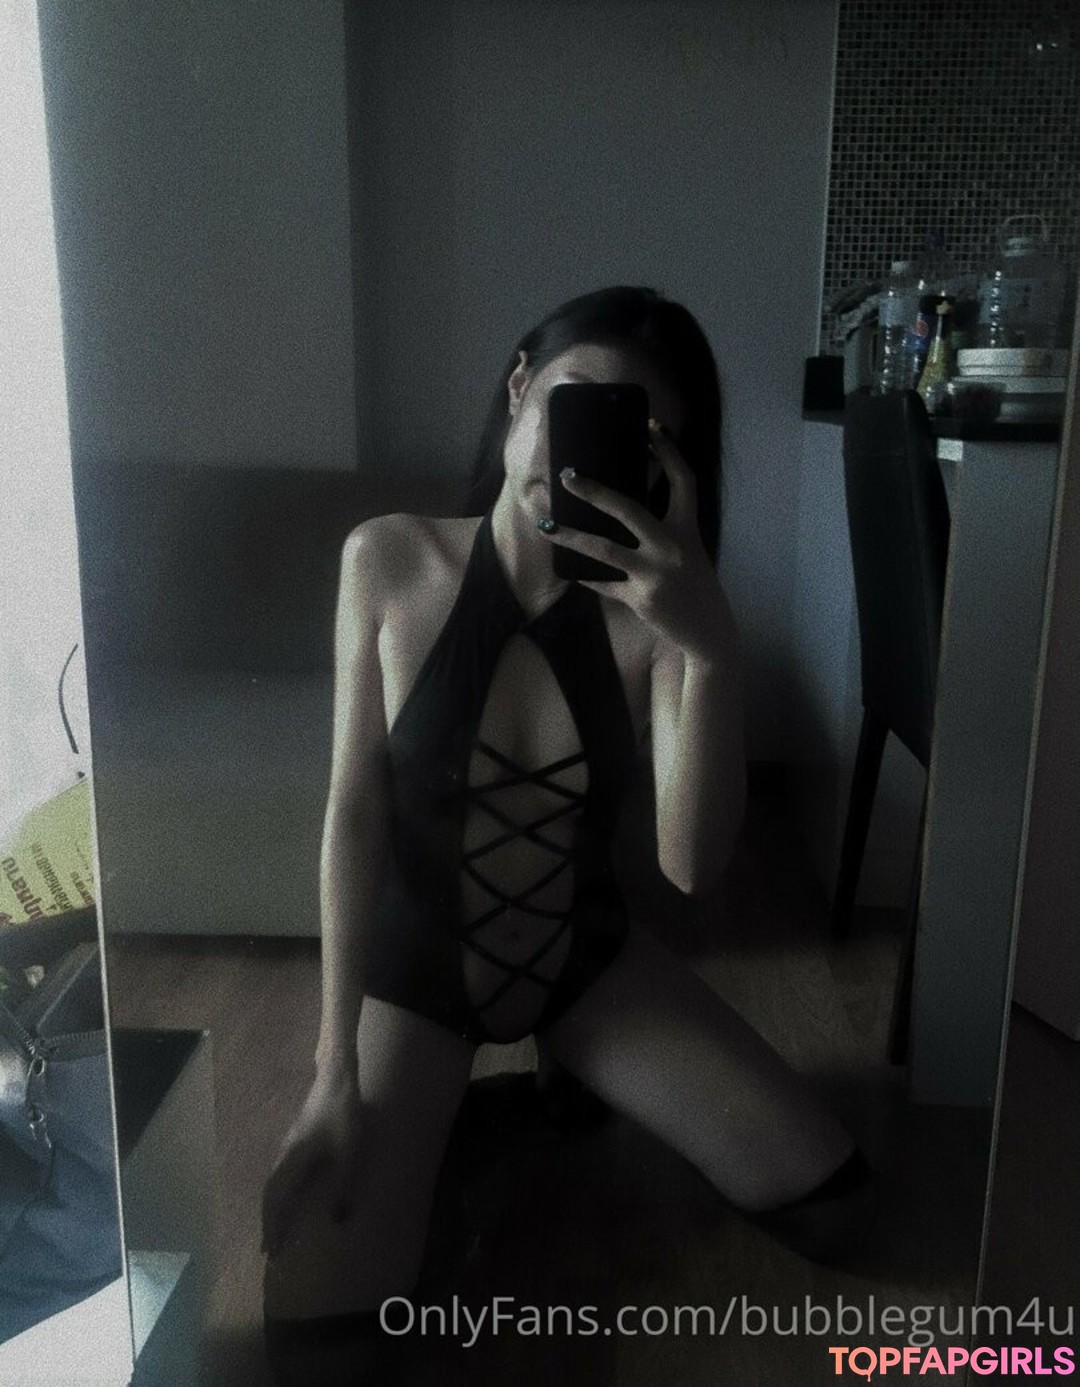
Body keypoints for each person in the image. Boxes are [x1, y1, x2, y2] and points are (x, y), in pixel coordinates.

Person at [261, 286, 874, 1375]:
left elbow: (690, 867)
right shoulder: (389, 561)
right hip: (418, 973)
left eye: (635, 434)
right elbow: (352, 813)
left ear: (664, 467)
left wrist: (709, 651)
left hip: (582, 959)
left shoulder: (662, 622)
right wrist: (331, 1068)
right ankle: (473, 1120)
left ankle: (545, 1082)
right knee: (320, 1334)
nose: (579, 455)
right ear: (518, 390)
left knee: (836, 1207)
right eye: (571, 401)